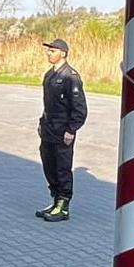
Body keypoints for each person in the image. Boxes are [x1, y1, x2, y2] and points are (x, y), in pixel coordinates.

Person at [35, 38, 87, 221]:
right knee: (48, 164)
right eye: (48, 51)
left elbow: (79, 108)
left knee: (62, 167)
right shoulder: (50, 75)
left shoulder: (70, 76)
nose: (49, 53)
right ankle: (55, 200)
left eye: (53, 51)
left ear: (63, 53)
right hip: (48, 127)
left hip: (62, 129)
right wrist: (42, 123)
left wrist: (71, 129)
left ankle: (63, 206)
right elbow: (47, 103)